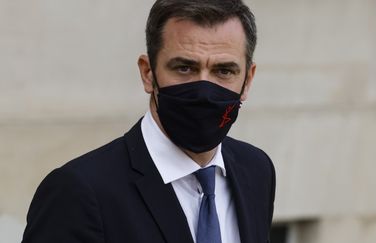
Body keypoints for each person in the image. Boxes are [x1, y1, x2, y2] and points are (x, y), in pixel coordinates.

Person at [22, 0, 276, 242]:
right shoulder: (78, 192)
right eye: (184, 68)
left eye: (224, 71)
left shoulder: (256, 170)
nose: (204, 90)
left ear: (248, 79)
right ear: (147, 73)